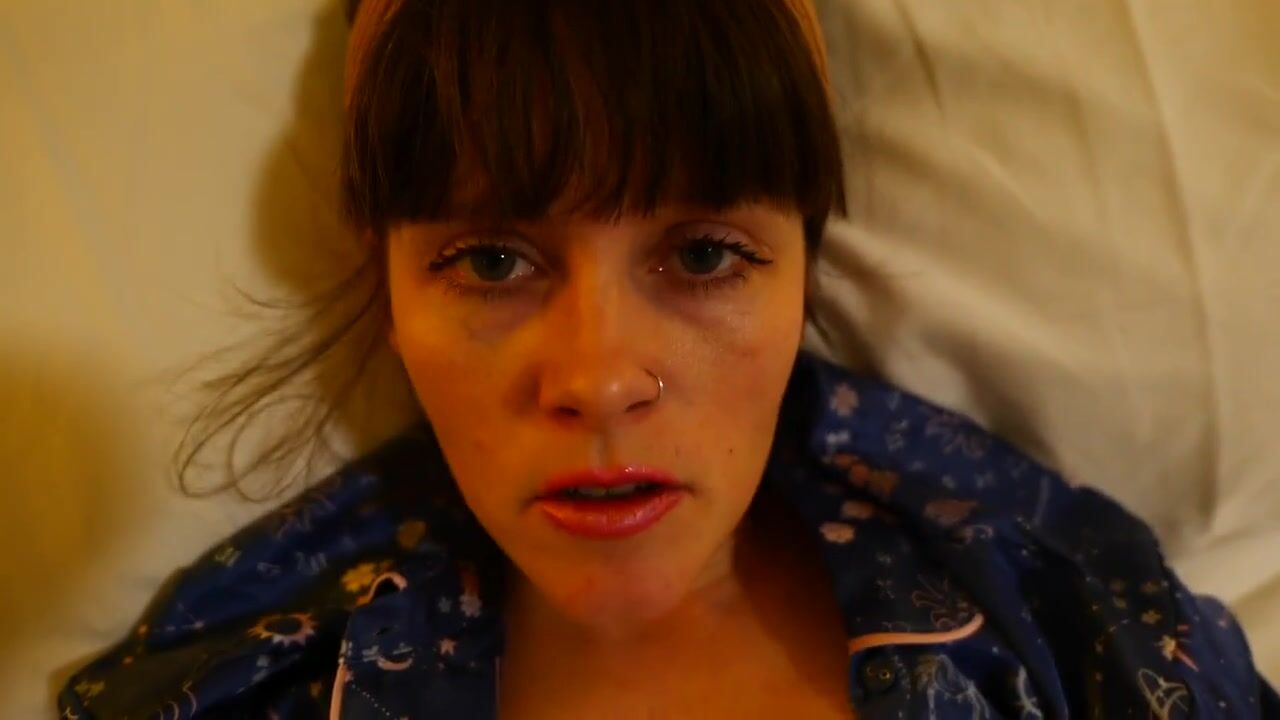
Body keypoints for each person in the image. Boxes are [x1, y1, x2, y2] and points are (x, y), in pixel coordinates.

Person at [60, 0, 1278, 717]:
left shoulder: (1080, 627)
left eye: (701, 255)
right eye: (491, 262)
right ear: (385, 285)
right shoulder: (244, 682)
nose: (598, 379)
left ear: (803, 271)